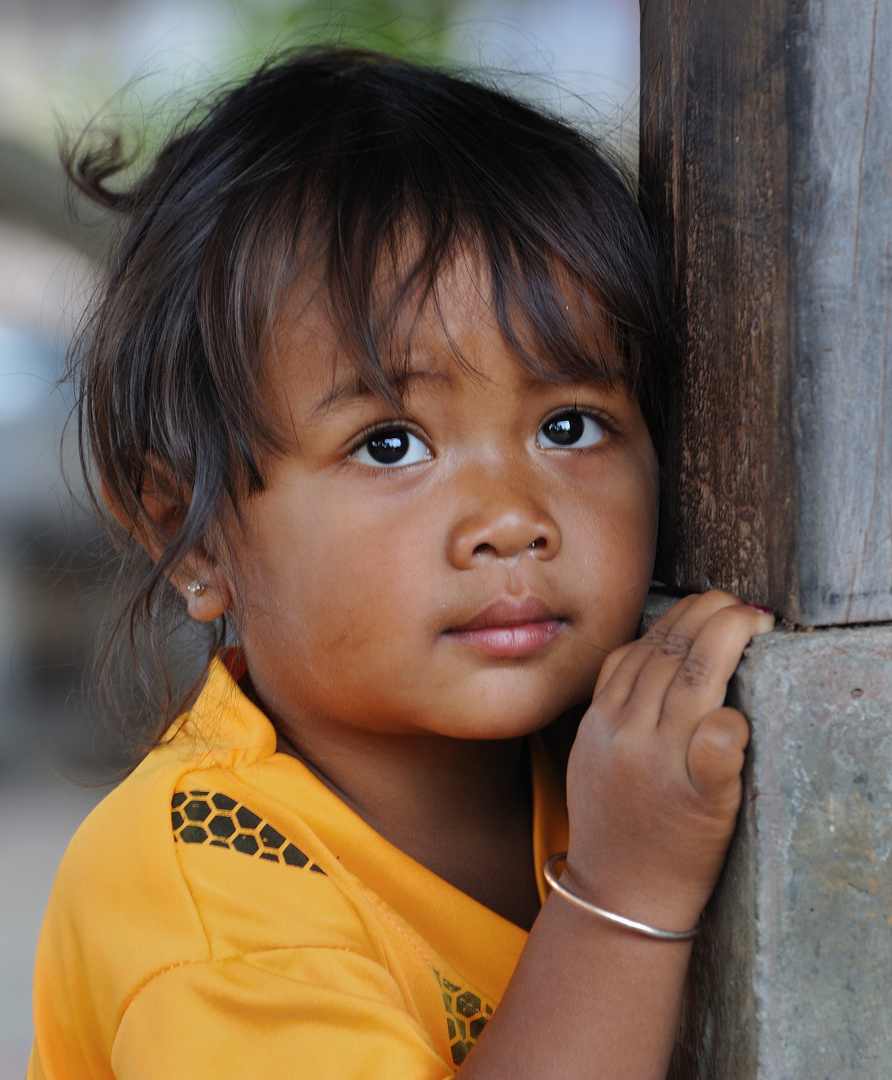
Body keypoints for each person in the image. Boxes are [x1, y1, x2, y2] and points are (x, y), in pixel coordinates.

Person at [29, 48, 773, 1080]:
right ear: (190, 537)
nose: (511, 520)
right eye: (390, 444)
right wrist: (619, 904)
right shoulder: (202, 894)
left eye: (569, 424)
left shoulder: (601, 764)